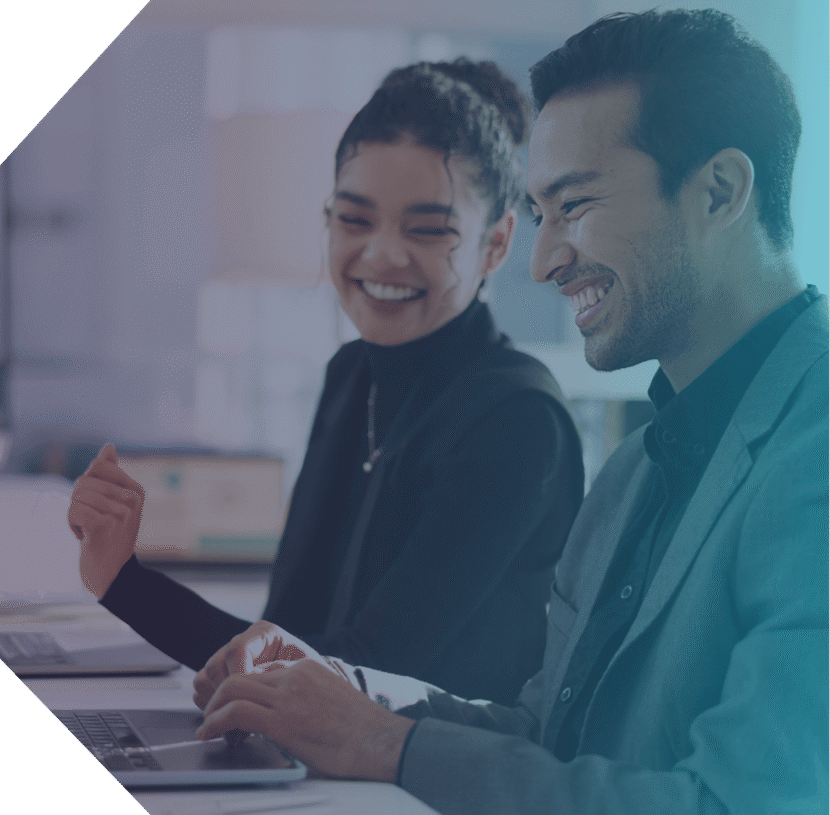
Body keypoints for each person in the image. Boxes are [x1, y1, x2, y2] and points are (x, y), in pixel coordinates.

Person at [190, 10, 829, 815]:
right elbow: (545, 735)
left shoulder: (813, 455)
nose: (543, 259)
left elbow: (744, 806)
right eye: (539, 214)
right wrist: (341, 692)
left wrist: (386, 746)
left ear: (720, 191)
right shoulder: (634, 471)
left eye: (576, 204)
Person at [67, 59, 585, 703]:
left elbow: (351, 678)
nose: (382, 254)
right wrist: (124, 579)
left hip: (419, 768)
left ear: (497, 244)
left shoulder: (517, 421)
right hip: (313, 754)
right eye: (354, 220)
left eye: (429, 229)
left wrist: (126, 584)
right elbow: (287, 635)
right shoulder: (352, 375)